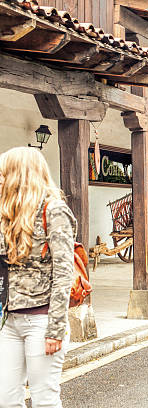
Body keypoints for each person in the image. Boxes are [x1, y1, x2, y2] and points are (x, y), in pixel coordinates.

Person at [0, 147, 76, 408]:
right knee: (7, 399)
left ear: (18, 175)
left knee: (44, 400)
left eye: (3, 174)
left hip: (42, 321)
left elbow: (64, 273)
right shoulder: (8, 213)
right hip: (9, 320)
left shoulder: (54, 211)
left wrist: (55, 328)